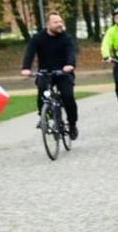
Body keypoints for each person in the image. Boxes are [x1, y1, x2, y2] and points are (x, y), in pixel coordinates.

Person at [21, 12, 79, 140]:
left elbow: (71, 53)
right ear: (48, 24)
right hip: (45, 72)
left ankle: (72, 124)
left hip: (63, 73)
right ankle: (44, 117)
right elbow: (30, 53)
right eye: (56, 22)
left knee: (67, 96)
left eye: (60, 22)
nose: (59, 25)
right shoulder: (38, 38)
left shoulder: (66, 38)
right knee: (42, 91)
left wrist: (69, 65)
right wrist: (26, 68)